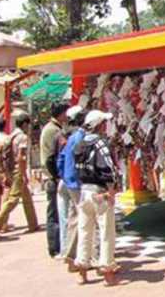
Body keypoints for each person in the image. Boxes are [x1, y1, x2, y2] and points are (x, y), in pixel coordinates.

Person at [74, 110, 119, 286]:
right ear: (99, 125)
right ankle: (107, 272)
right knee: (107, 233)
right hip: (100, 192)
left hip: (84, 192)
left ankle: (82, 273)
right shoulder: (100, 144)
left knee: (85, 232)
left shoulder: (79, 144)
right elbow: (108, 168)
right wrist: (112, 190)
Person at [0, 111, 39, 239]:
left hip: (8, 170)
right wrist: (23, 174)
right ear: (25, 124)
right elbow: (21, 157)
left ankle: (33, 224)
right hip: (18, 171)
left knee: (26, 198)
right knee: (13, 199)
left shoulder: (11, 136)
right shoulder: (22, 137)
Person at [55, 105, 85, 268]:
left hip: (68, 180)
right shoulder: (80, 137)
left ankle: (69, 253)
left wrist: (63, 175)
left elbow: (61, 159)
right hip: (77, 182)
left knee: (74, 218)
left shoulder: (71, 137)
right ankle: (82, 258)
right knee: (86, 218)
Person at [40, 102, 68, 258]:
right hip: (52, 178)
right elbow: (51, 158)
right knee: (55, 214)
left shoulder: (52, 129)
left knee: (56, 212)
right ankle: (55, 247)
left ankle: (57, 245)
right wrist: (57, 176)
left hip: (52, 177)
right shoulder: (53, 131)